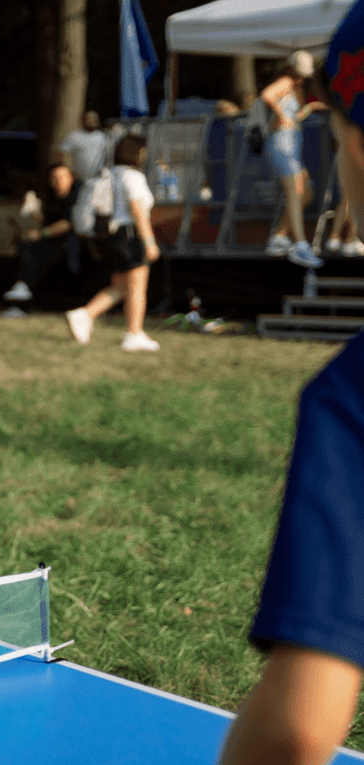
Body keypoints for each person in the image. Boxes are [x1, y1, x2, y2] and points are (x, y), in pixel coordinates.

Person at [218, 5, 364, 762]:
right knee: (293, 188)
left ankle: (291, 232)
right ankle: (289, 233)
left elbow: (301, 728)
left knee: (297, 189)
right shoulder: (278, 100)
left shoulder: (352, 397)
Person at [65, 134, 160, 352]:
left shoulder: (110, 174)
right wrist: (149, 242)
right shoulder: (133, 177)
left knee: (120, 287)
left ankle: (84, 314)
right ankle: (134, 334)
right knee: (137, 287)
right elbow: (138, 211)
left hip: (110, 237)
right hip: (129, 236)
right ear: (138, 154)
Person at [261, 51, 326, 269]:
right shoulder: (286, 81)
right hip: (281, 146)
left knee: (306, 192)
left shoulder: (294, 85)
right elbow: (267, 95)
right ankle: (299, 244)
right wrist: (281, 117)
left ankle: (279, 236)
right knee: (296, 193)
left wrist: (309, 108)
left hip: (290, 148)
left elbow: (294, 116)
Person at [2, 163, 82, 307]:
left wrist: (42, 233)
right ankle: (21, 287)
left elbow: (68, 223)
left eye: (63, 177)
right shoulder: (52, 197)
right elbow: (47, 220)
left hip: (70, 244)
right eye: (55, 178)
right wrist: (32, 210)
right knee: (26, 247)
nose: (59, 181)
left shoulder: (77, 196)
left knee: (35, 250)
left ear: (71, 178)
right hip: (51, 241)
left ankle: (24, 286)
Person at [56, 110, 110, 181]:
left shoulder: (103, 137)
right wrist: (66, 171)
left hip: (98, 180)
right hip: (78, 180)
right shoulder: (74, 136)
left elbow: (109, 156)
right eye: (89, 119)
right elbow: (60, 152)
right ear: (82, 120)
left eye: (94, 119)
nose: (92, 121)